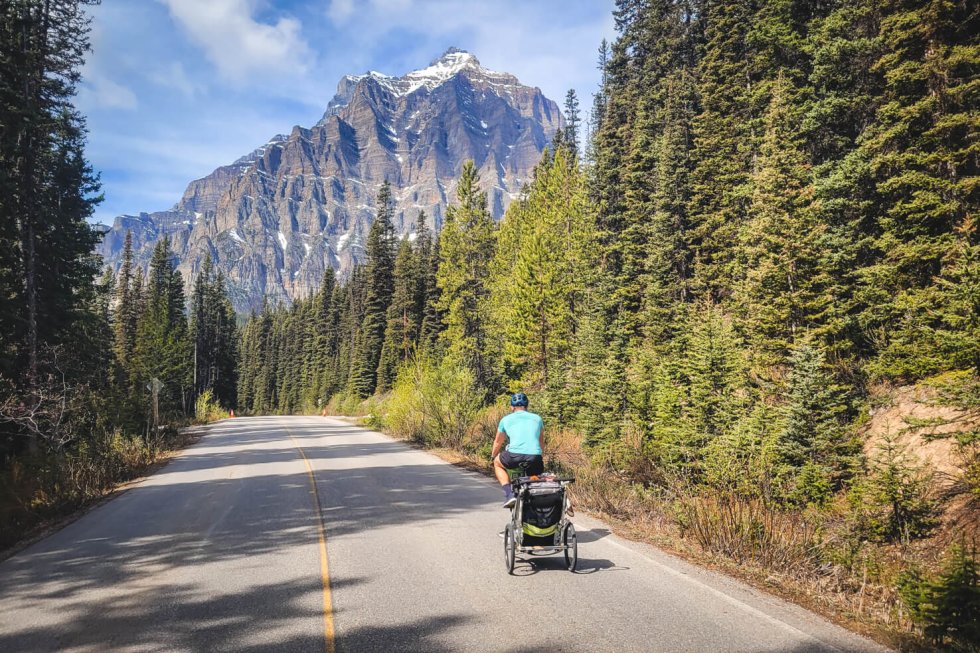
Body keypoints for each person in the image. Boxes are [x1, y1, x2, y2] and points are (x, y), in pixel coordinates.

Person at [492, 392, 544, 508]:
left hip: (514, 455)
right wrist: (540, 456)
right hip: (535, 456)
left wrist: (493, 455)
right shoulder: (538, 419)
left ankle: (509, 494)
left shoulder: (505, 419)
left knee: (497, 463)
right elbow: (541, 442)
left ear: (512, 407)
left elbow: (498, 442)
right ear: (527, 406)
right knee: (534, 479)